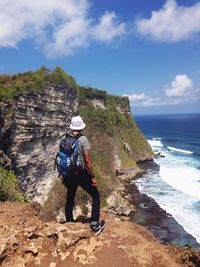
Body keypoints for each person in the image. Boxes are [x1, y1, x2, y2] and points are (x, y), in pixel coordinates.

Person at [61, 115, 106, 235]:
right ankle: (95, 224)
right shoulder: (83, 139)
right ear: (81, 127)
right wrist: (92, 176)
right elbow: (87, 160)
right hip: (80, 173)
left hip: (69, 174)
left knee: (70, 198)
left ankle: (69, 222)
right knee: (95, 195)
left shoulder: (66, 138)